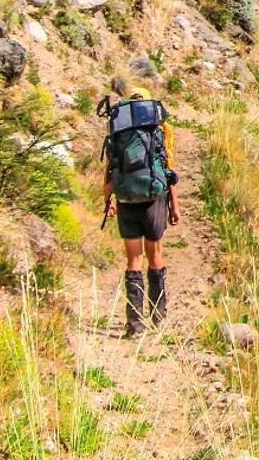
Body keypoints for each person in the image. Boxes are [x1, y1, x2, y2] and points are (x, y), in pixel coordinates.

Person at [100, 83, 180, 337]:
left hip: (125, 199)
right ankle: (159, 316)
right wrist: (174, 206)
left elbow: (109, 174)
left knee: (133, 259)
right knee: (155, 255)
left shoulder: (120, 133)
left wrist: (108, 202)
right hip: (153, 199)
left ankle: (134, 325)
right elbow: (167, 171)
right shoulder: (157, 131)